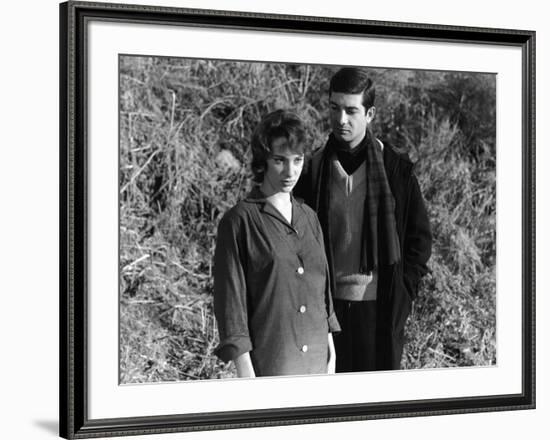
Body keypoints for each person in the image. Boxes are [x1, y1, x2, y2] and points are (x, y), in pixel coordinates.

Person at [293, 67, 432, 372]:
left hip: (380, 309)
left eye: (351, 110)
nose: (341, 119)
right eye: (334, 108)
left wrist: (405, 291)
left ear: (369, 114)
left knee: (375, 408)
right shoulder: (312, 170)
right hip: (325, 310)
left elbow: (419, 241)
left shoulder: (395, 170)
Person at [213, 109, 340, 377]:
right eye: (279, 160)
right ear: (263, 161)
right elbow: (231, 309)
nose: (290, 171)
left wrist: (331, 352)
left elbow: (322, 292)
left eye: (298, 160)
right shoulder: (239, 222)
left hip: (319, 361)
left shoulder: (310, 218)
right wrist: (248, 376)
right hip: (272, 362)